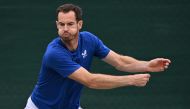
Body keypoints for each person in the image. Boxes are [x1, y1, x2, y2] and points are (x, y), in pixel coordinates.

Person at [25, 3, 171, 109]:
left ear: (80, 24)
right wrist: (131, 80)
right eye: (61, 24)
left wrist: (146, 65)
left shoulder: (89, 40)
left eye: (70, 24)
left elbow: (120, 62)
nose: (65, 29)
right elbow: (90, 81)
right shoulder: (54, 53)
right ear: (57, 25)